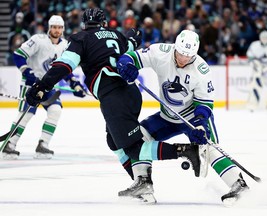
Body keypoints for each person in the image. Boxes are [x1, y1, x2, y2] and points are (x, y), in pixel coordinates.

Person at [25, 8, 207, 204]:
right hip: (129, 93)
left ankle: (186, 151)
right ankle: (142, 182)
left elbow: (64, 66)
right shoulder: (117, 35)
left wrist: (41, 86)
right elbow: (131, 43)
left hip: (113, 95)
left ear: (85, 24)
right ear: (104, 24)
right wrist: (133, 36)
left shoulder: (81, 38)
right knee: (114, 142)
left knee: (134, 147)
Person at [116, 30, 250, 205]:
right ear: (175, 47)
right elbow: (130, 57)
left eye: (189, 56)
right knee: (138, 135)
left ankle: (238, 184)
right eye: (180, 53)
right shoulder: (160, 52)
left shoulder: (201, 70)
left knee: (207, 146)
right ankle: (143, 182)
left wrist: (201, 125)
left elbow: (204, 105)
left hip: (192, 117)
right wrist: (127, 65)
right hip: (167, 117)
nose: (183, 59)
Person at [2, 15, 86, 160]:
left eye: (59, 27)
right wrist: (28, 72)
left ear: (63, 29)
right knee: (26, 114)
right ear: (49, 27)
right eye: (54, 27)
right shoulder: (38, 40)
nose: (56, 30)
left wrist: (74, 83)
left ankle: (43, 145)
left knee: (56, 110)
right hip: (31, 85)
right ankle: (9, 145)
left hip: (48, 85)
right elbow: (18, 55)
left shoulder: (65, 45)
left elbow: (64, 68)